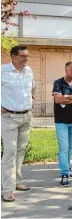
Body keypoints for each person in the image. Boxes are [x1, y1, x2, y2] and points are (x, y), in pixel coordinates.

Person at [1, 45, 35, 202]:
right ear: (14, 57)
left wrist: (32, 99)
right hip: (9, 118)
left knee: (21, 150)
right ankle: (7, 189)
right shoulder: (3, 71)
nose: (26, 59)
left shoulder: (29, 71)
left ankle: (18, 181)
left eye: (27, 56)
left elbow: (33, 87)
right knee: (9, 152)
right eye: (23, 56)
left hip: (26, 116)